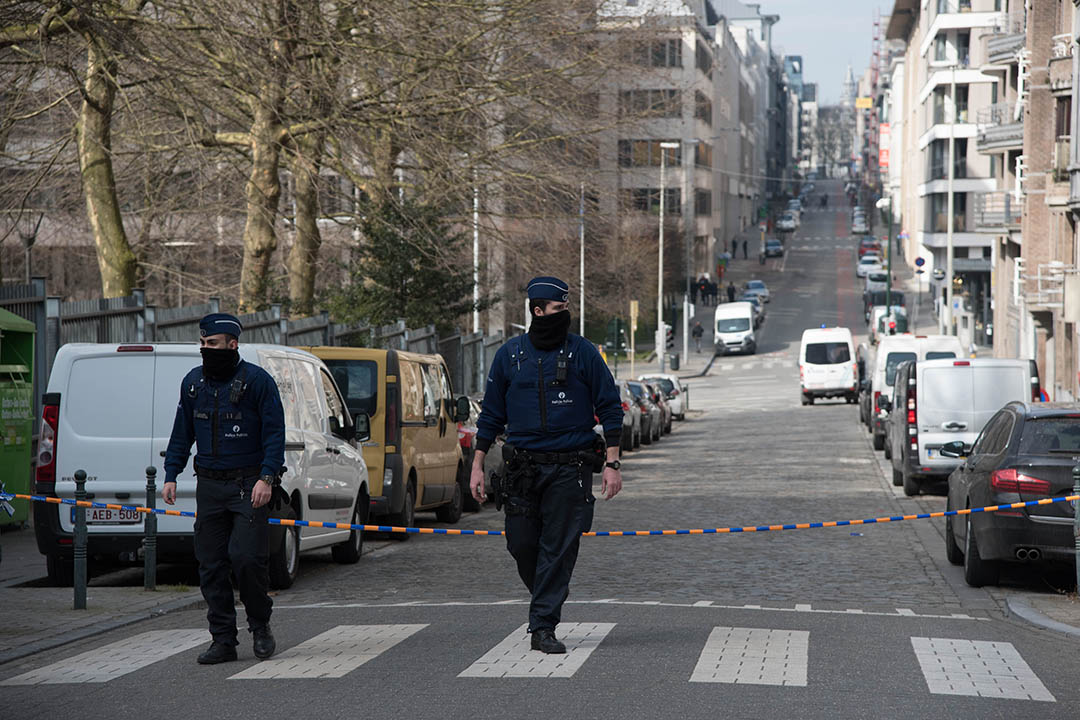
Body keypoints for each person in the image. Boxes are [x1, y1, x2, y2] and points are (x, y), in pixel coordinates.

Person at [470, 276, 623, 654]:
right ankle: (547, 596)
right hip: (522, 469)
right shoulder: (510, 356)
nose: (564, 314)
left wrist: (613, 464)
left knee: (558, 548)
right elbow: (490, 416)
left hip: (570, 469)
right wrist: (476, 465)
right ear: (537, 311)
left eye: (566, 307)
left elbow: (610, 406)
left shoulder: (583, 353)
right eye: (558, 309)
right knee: (521, 544)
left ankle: (542, 626)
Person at [163, 313, 285, 665]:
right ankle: (223, 640)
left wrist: (267, 477)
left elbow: (275, 433)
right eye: (202, 344)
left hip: (249, 485)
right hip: (211, 487)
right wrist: (172, 473)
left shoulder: (258, 382)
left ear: (232, 344)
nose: (205, 349)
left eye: (212, 343)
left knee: (247, 560)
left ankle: (260, 627)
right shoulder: (193, 384)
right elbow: (182, 433)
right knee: (211, 565)